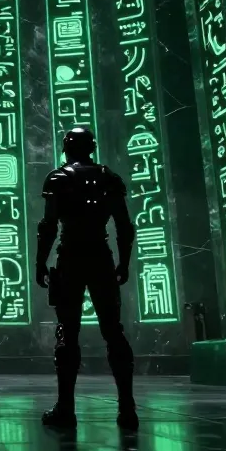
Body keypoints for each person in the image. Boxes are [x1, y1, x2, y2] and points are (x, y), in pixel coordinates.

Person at [35, 127, 138, 430]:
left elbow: (48, 226)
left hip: (71, 257)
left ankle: (66, 408)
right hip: (100, 256)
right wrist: (123, 262)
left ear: (66, 148)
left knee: (68, 332)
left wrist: (40, 263)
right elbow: (124, 226)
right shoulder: (109, 178)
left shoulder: (59, 178)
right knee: (113, 331)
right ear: (91, 147)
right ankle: (127, 408)